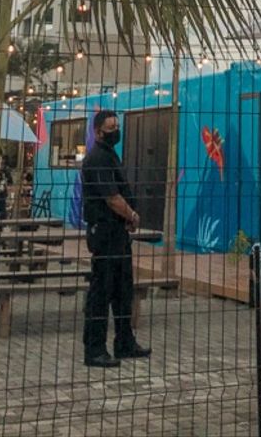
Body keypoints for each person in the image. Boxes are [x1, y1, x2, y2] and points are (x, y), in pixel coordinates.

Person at [80, 110, 150, 368]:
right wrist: (131, 214)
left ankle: (125, 341)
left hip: (118, 233)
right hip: (105, 231)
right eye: (111, 127)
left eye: (117, 126)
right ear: (98, 131)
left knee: (123, 289)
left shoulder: (110, 156)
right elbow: (111, 197)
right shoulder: (97, 158)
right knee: (102, 290)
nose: (116, 131)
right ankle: (95, 349)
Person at [0, 155, 13, 219]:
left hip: (0, 194)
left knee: (1, 210)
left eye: (0, 162)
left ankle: (1, 224)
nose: (0, 165)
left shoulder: (4, 171)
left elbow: (10, 182)